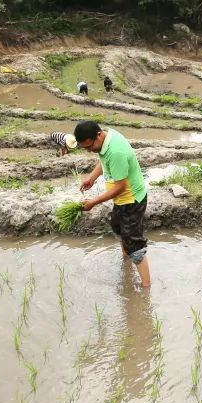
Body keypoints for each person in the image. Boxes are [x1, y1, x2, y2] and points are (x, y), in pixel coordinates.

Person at [75, 121, 150, 287]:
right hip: (123, 199)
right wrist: (91, 178)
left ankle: (146, 290)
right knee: (117, 226)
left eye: (90, 147)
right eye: (85, 148)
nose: (90, 151)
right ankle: (127, 261)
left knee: (134, 244)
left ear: (98, 135)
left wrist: (94, 202)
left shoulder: (115, 151)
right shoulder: (107, 138)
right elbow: (104, 161)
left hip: (132, 199)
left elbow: (120, 187)